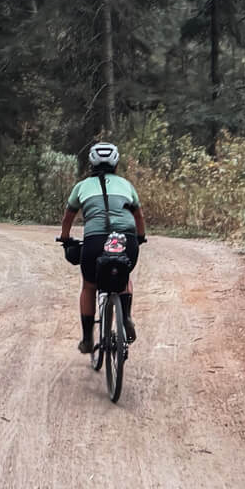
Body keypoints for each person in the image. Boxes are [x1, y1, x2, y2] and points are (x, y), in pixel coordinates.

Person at [58, 141, 144, 352]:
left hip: (95, 241)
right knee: (123, 276)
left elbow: (68, 218)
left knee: (89, 285)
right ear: (116, 163)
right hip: (126, 239)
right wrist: (140, 237)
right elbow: (138, 216)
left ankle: (87, 339)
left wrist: (65, 238)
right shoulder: (126, 185)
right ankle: (126, 316)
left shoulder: (81, 187)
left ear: (91, 163)